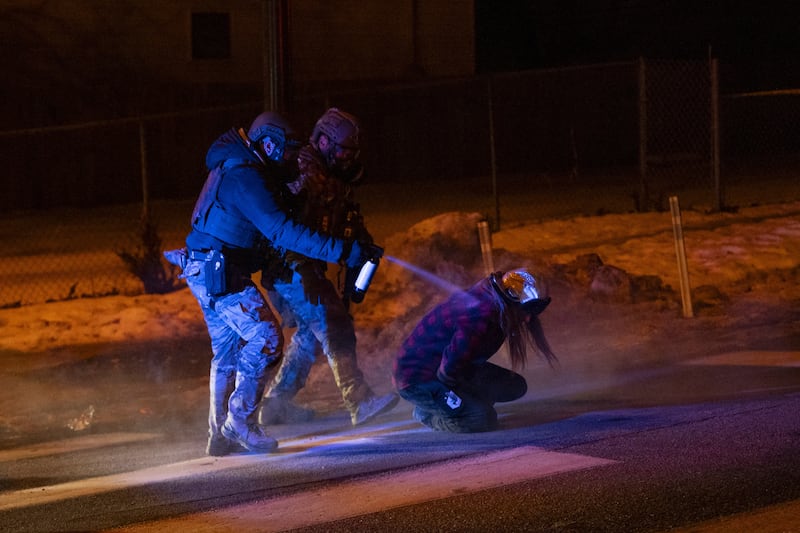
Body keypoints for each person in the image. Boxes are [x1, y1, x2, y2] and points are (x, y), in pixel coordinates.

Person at [168, 110, 379, 456]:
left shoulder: (238, 167)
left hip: (206, 267)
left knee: (227, 354)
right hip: (221, 270)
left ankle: (219, 434)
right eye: (285, 150)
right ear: (268, 144)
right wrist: (340, 251)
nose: (291, 157)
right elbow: (282, 230)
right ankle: (240, 423)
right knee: (266, 338)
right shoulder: (246, 177)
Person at [257, 108, 398, 427]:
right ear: (322, 141)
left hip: (299, 265)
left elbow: (338, 216)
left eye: (352, 153)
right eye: (343, 151)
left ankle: (276, 403)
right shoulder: (305, 173)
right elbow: (290, 229)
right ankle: (359, 401)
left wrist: (359, 240)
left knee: (311, 332)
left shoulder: (326, 175)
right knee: (333, 322)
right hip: (289, 265)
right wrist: (340, 250)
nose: (348, 159)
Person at [392, 268, 558, 433]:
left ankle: (461, 405)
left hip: (450, 367)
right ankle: (426, 413)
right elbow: (448, 371)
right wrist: (459, 401)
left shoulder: (493, 305)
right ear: (509, 301)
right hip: (418, 379)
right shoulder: (479, 317)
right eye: (525, 312)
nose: (528, 319)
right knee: (481, 420)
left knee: (514, 386)